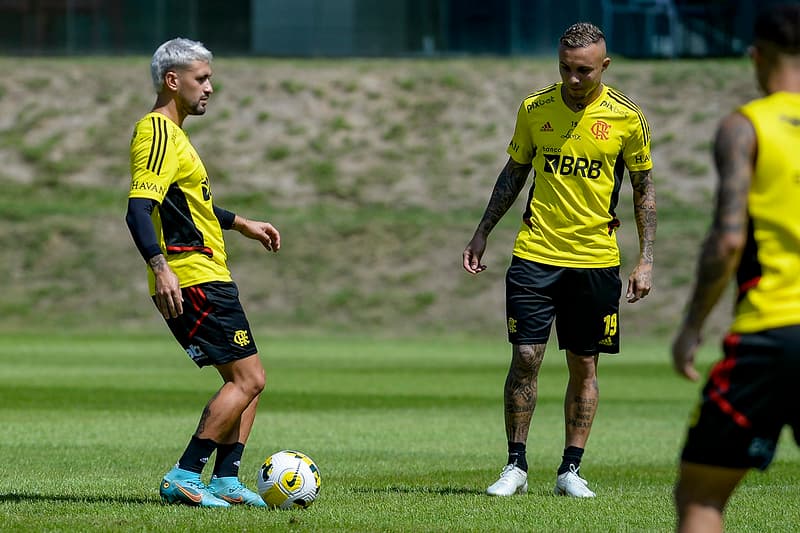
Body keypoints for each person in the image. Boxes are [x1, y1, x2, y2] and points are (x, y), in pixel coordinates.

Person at [463, 22, 656, 498]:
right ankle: (515, 466)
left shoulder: (628, 118)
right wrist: (483, 231)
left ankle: (570, 470)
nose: (573, 79)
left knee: (583, 365)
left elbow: (644, 190)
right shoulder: (534, 108)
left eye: (584, 71)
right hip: (535, 253)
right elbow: (514, 173)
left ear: (604, 67)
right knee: (526, 356)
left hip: (595, 259)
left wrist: (646, 258)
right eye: (566, 69)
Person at [125, 38, 281, 508]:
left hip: (208, 272)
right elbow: (138, 209)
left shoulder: (178, 137)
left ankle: (226, 479)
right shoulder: (156, 132)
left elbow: (193, 205)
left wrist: (241, 224)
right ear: (173, 82)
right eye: (202, 78)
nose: (210, 87)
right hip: (191, 277)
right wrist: (161, 267)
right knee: (247, 380)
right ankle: (184, 474)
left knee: (251, 377)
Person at [671, 4, 800, 531]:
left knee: (701, 497)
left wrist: (691, 328)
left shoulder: (744, 127)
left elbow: (728, 241)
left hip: (769, 337)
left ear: (756, 55)